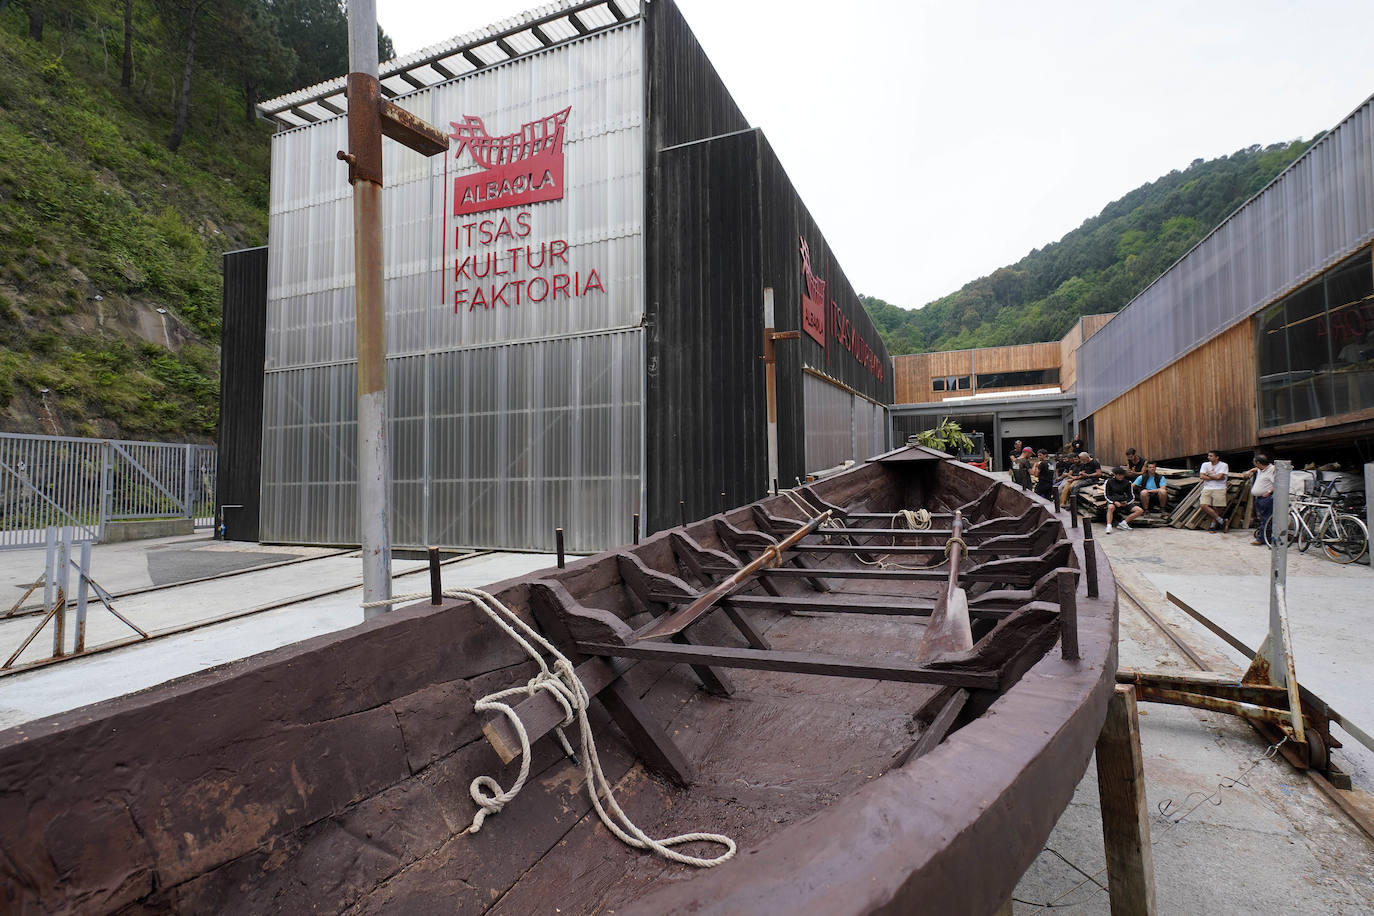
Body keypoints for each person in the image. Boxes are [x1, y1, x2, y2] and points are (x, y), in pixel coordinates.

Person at [1244, 454, 1276, 546]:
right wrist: (1250, 471)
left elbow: (1277, 483)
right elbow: (1255, 469)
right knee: (1263, 518)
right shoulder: (1261, 469)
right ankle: (1265, 537)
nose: (1254, 465)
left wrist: (1269, 492)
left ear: (1258, 463)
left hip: (1266, 498)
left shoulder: (1272, 470)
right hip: (1259, 498)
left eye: (1254, 463)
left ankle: (1262, 539)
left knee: (1266, 519)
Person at [1103, 467, 1144, 532]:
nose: (1121, 476)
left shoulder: (1128, 483)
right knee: (1110, 507)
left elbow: (1131, 496)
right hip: (1113, 501)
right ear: (1115, 475)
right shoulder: (1109, 482)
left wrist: (1127, 502)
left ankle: (1124, 523)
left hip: (1124, 501)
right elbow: (1107, 495)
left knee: (1139, 510)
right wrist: (1114, 502)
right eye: (1119, 475)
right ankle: (1109, 526)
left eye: (1122, 475)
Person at [1198, 450, 1230, 532]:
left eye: (1211, 456)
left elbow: (1220, 477)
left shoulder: (1223, 465)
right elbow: (1201, 476)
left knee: (1217, 507)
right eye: (1208, 456)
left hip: (1220, 487)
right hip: (1207, 488)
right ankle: (1222, 521)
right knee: (1203, 505)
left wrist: (1208, 475)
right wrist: (1215, 477)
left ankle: (1213, 526)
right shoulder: (1205, 464)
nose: (1208, 457)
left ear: (1217, 457)